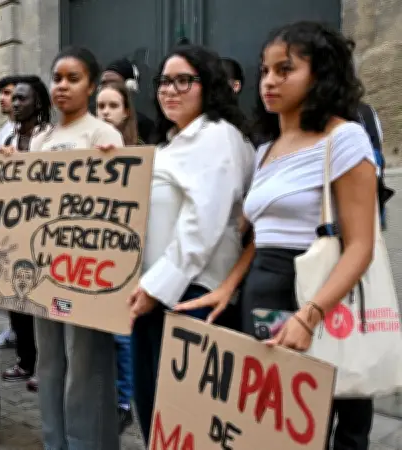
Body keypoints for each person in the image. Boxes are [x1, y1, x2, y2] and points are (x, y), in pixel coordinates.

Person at [178, 21, 377, 450]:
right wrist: (230, 285)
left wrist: (310, 315)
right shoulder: (265, 149)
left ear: (321, 75)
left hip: (321, 291)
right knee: (278, 425)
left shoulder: (344, 138)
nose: (269, 81)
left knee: (338, 413)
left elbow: (361, 244)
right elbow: (261, 236)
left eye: (285, 70)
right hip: (264, 294)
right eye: (265, 70)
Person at [126, 44, 255, 443]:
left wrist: (154, 287)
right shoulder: (170, 144)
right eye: (164, 81)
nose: (171, 90)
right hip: (154, 293)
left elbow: (201, 226)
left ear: (209, 86)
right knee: (156, 415)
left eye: (184, 80)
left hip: (192, 298)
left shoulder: (218, 137)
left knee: (186, 422)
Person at [29, 47, 123, 450]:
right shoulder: (41, 138)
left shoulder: (103, 134)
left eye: (73, 78)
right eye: (57, 78)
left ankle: (86, 443)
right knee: (49, 362)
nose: (62, 86)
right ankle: (55, 442)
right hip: (45, 267)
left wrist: (113, 163)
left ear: (91, 85)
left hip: (85, 269)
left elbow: (122, 198)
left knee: (83, 365)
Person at [0, 75, 52, 393]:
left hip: (41, 230)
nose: (16, 104)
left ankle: (45, 364)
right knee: (18, 299)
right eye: (13, 99)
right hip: (13, 227)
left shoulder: (50, 136)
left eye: (23, 99)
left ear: (38, 103)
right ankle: (25, 359)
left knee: (41, 298)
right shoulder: (7, 135)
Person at [94, 80, 140, 433]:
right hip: (92, 254)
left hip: (127, 255)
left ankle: (124, 399)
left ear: (126, 111)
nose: (106, 112)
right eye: (101, 107)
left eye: (112, 106)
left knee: (123, 335)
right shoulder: (87, 150)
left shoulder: (141, 153)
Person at [100, 58, 157, 144]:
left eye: (113, 83)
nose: (107, 88)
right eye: (104, 83)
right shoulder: (90, 125)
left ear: (130, 87)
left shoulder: (146, 127)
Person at [0, 75, 21, 151]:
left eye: (7, 93)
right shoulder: (2, 132)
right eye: (0, 93)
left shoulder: (37, 129)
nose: (1, 98)